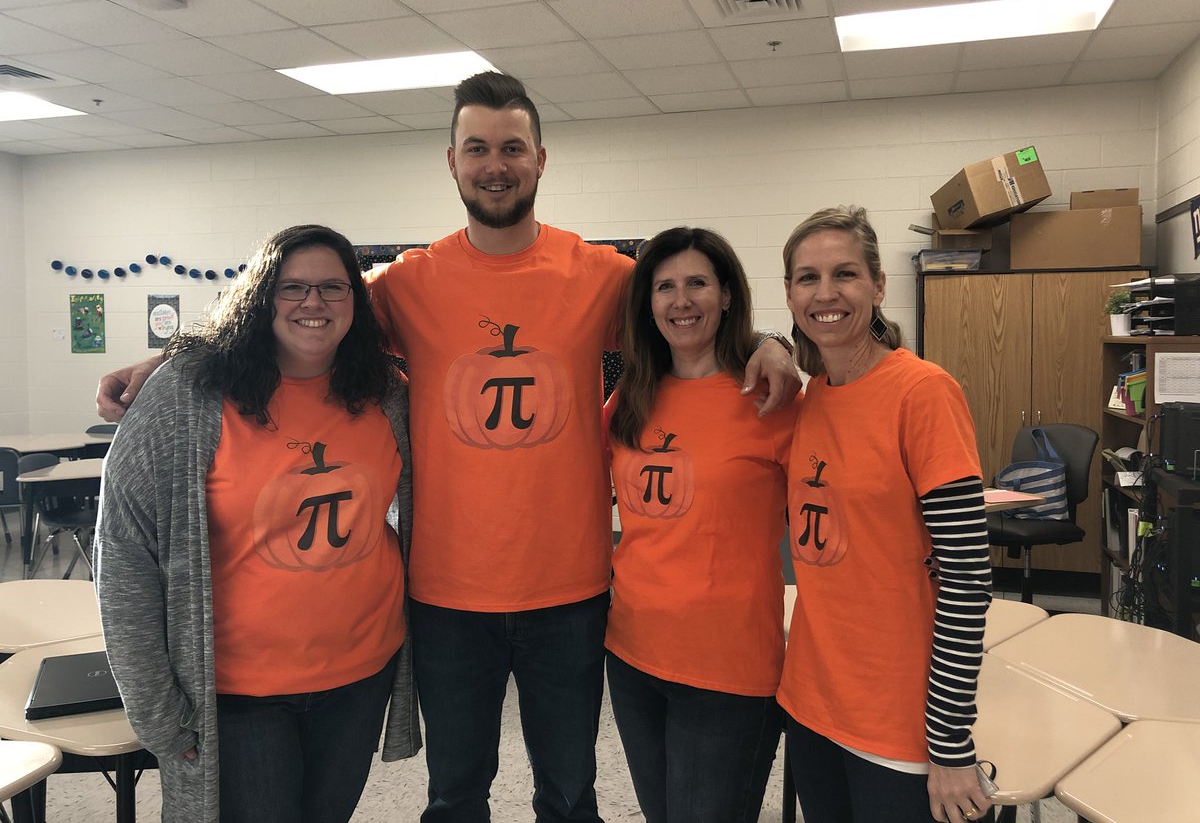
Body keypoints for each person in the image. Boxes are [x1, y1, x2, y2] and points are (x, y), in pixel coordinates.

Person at [96, 72, 800, 823]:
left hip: (570, 593)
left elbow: (687, 312)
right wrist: (171, 356)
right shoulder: (406, 282)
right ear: (453, 161)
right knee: (455, 795)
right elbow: (291, 309)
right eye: (477, 148)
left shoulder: (602, 276)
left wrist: (771, 342)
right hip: (443, 598)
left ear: (539, 159)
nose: (494, 163)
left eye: (511, 148)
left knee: (569, 793)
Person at [94, 224, 420, 823]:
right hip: (237, 693)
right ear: (259, 297)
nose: (312, 303)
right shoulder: (187, 394)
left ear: (357, 301)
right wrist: (155, 710)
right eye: (291, 287)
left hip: (362, 673)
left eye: (332, 287)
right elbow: (123, 554)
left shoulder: (385, 393)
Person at [777, 206, 993, 823]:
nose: (825, 294)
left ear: (877, 285)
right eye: (806, 278)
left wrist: (950, 742)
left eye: (844, 274)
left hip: (898, 719)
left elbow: (969, 580)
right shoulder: (811, 398)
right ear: (789, 293)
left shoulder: (923, 394)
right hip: (813, 701)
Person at [604, 227, 797, 823]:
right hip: (632, 654)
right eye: (665, 287)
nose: (680, 301)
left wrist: (778, 342)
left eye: (697, 284)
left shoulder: (770, 397)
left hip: (727, 667)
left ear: (728, 295)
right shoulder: (629, 399)